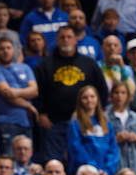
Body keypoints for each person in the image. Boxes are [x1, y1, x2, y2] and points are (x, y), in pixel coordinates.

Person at [33, 26, 109, 163]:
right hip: (53, 123)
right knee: (53, 163)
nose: (66, 40)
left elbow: (102, 90)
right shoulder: (45, 64)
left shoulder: (88, 63)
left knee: (83, 162)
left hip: (84, 121)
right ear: (56, 40)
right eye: (62, 37)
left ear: (75, 40)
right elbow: (35, 92)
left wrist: (96, 113)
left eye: (69, 37)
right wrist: (40, 113)